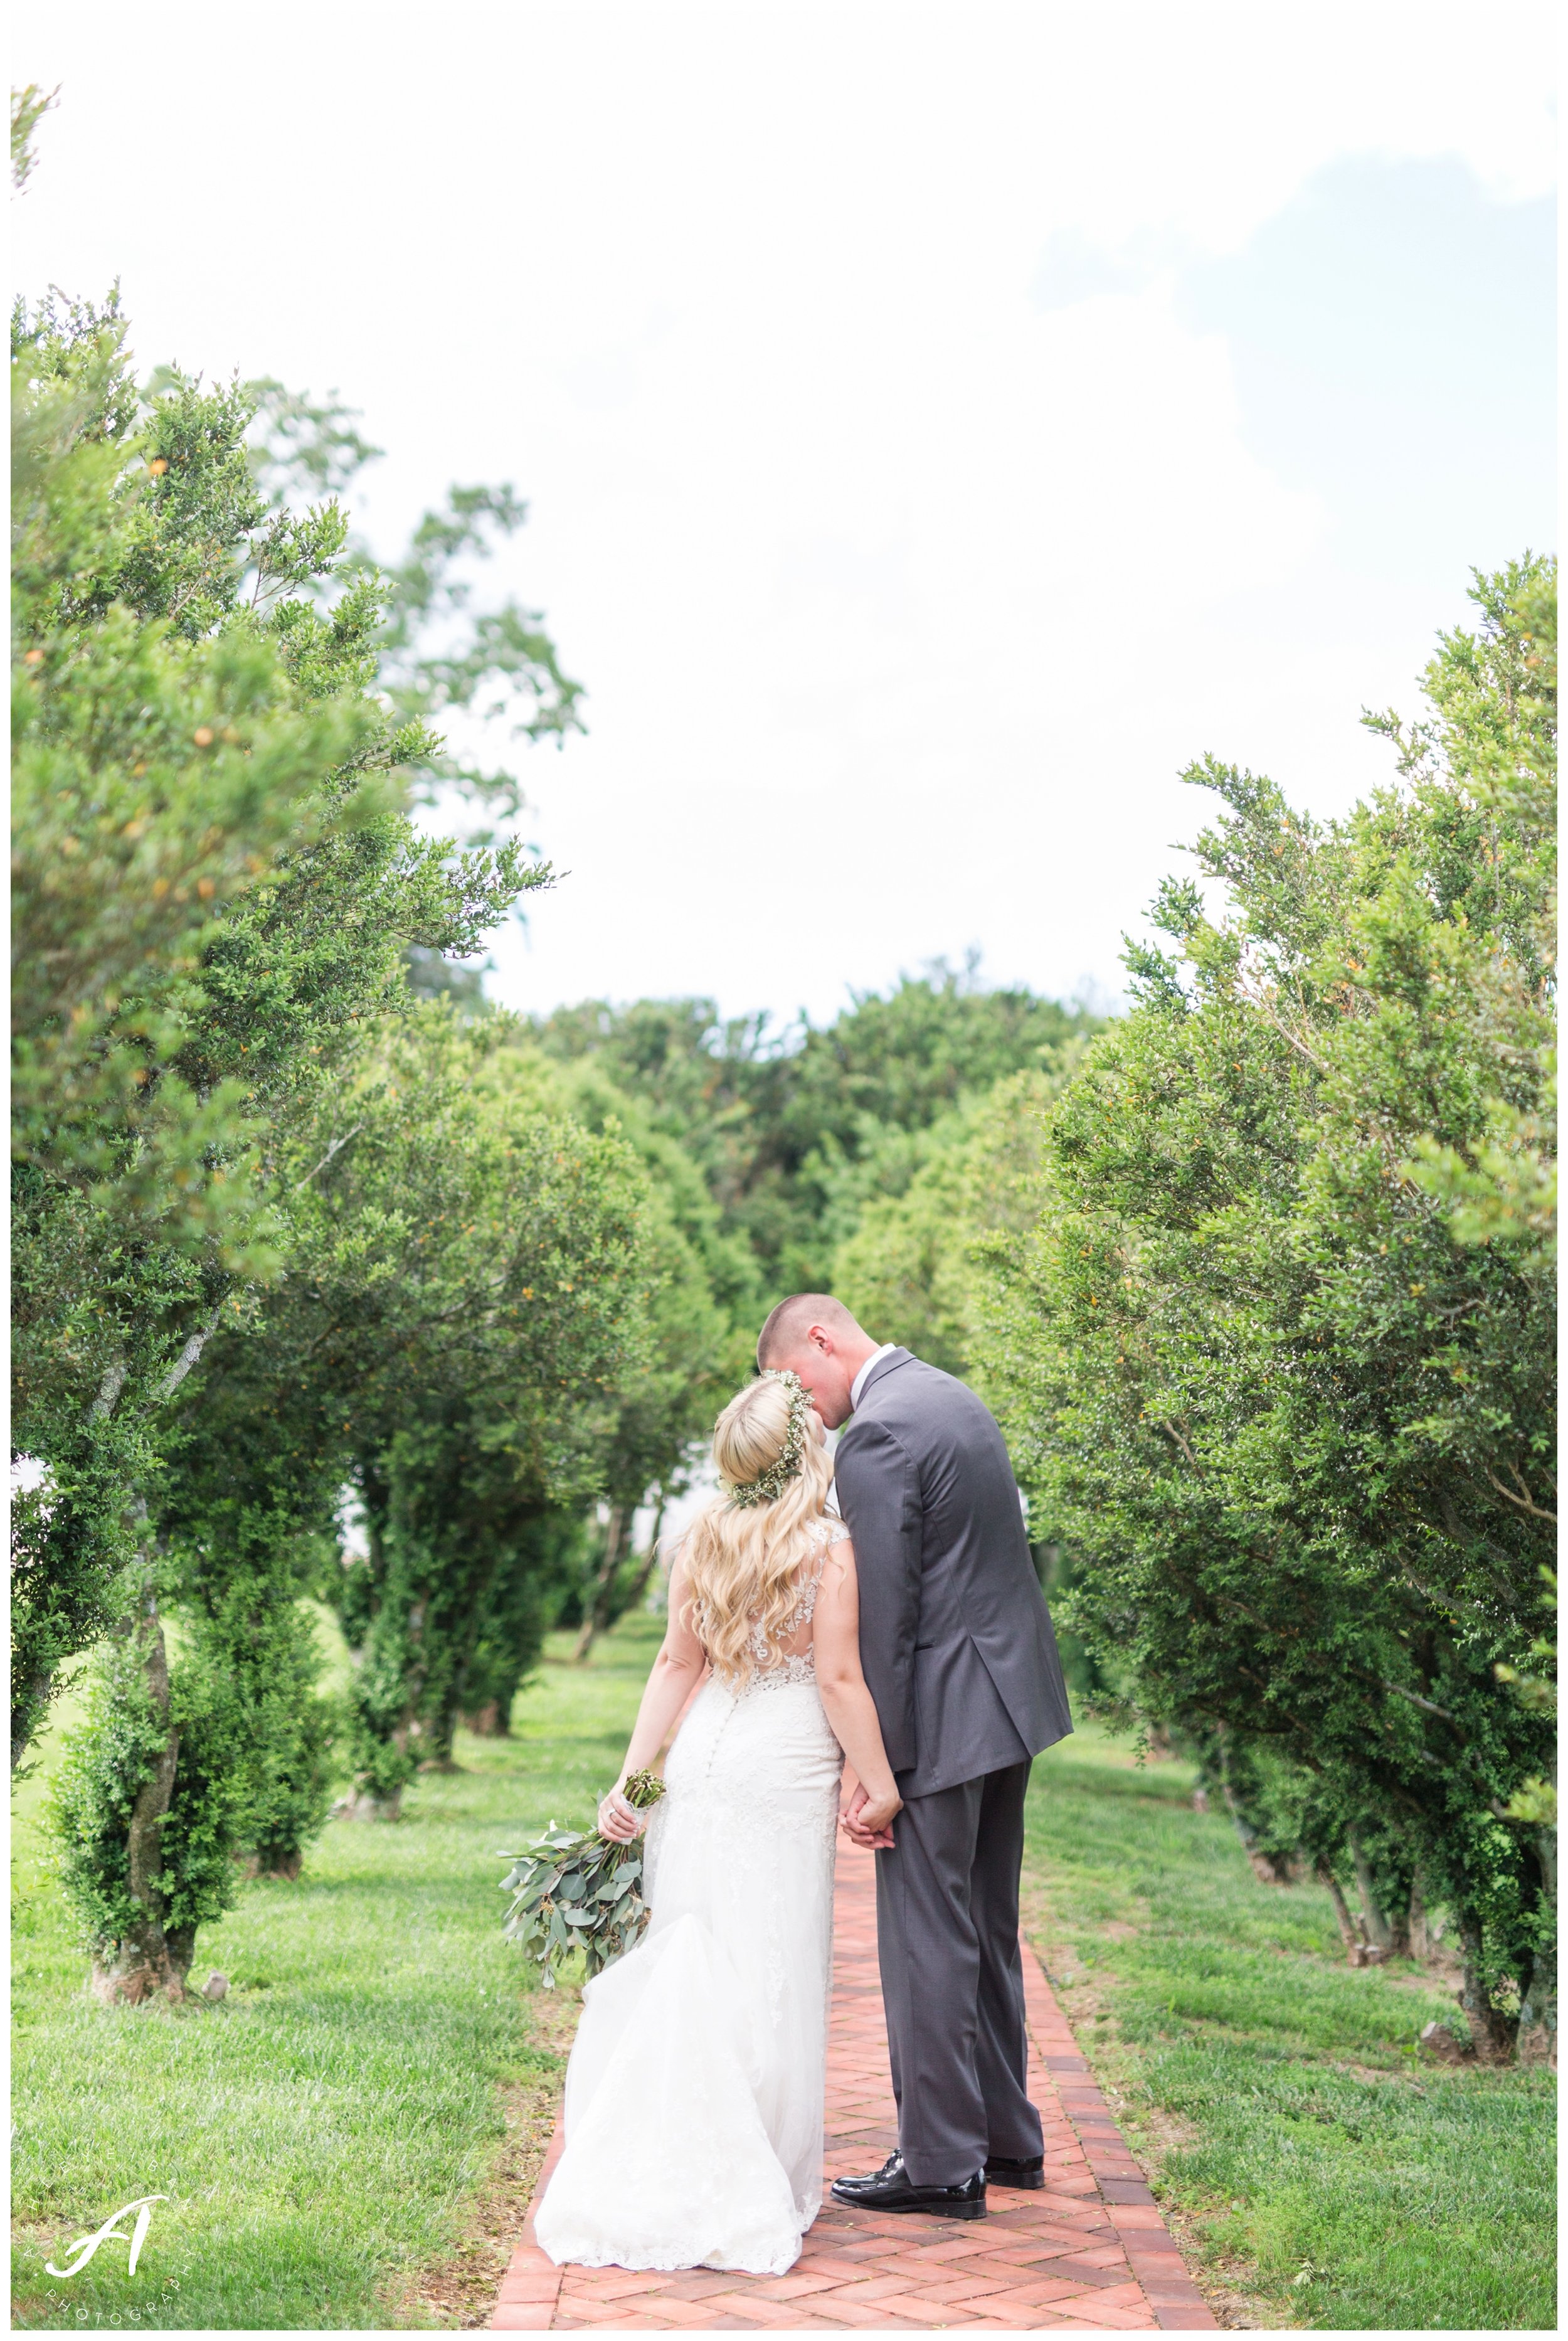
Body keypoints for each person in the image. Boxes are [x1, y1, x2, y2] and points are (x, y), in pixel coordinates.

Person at [533, 1369, 902, 2276]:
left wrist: (634, 1785)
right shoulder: (829, 1550)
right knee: (770, 1967)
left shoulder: (699, 1539)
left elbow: (675, 1667)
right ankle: (755, 2171)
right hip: (779, 1778)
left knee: (694, 1947)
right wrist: (880, 1783)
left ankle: (669, 2147)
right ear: (806, 1454)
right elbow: (840, 1682)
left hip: (698, 1771)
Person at [756, 1295, 1073, 2222]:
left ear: (821, 1339)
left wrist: (875, 1770)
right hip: (1009, 1704)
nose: (806, 1409)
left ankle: (940, 2163)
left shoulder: (879, 1436)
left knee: (927, 1935)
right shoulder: (949, 1395)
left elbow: (885, 1622)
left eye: (796, 1384)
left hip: (942, 1719)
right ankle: (1007, 2140)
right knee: (985, 1925)